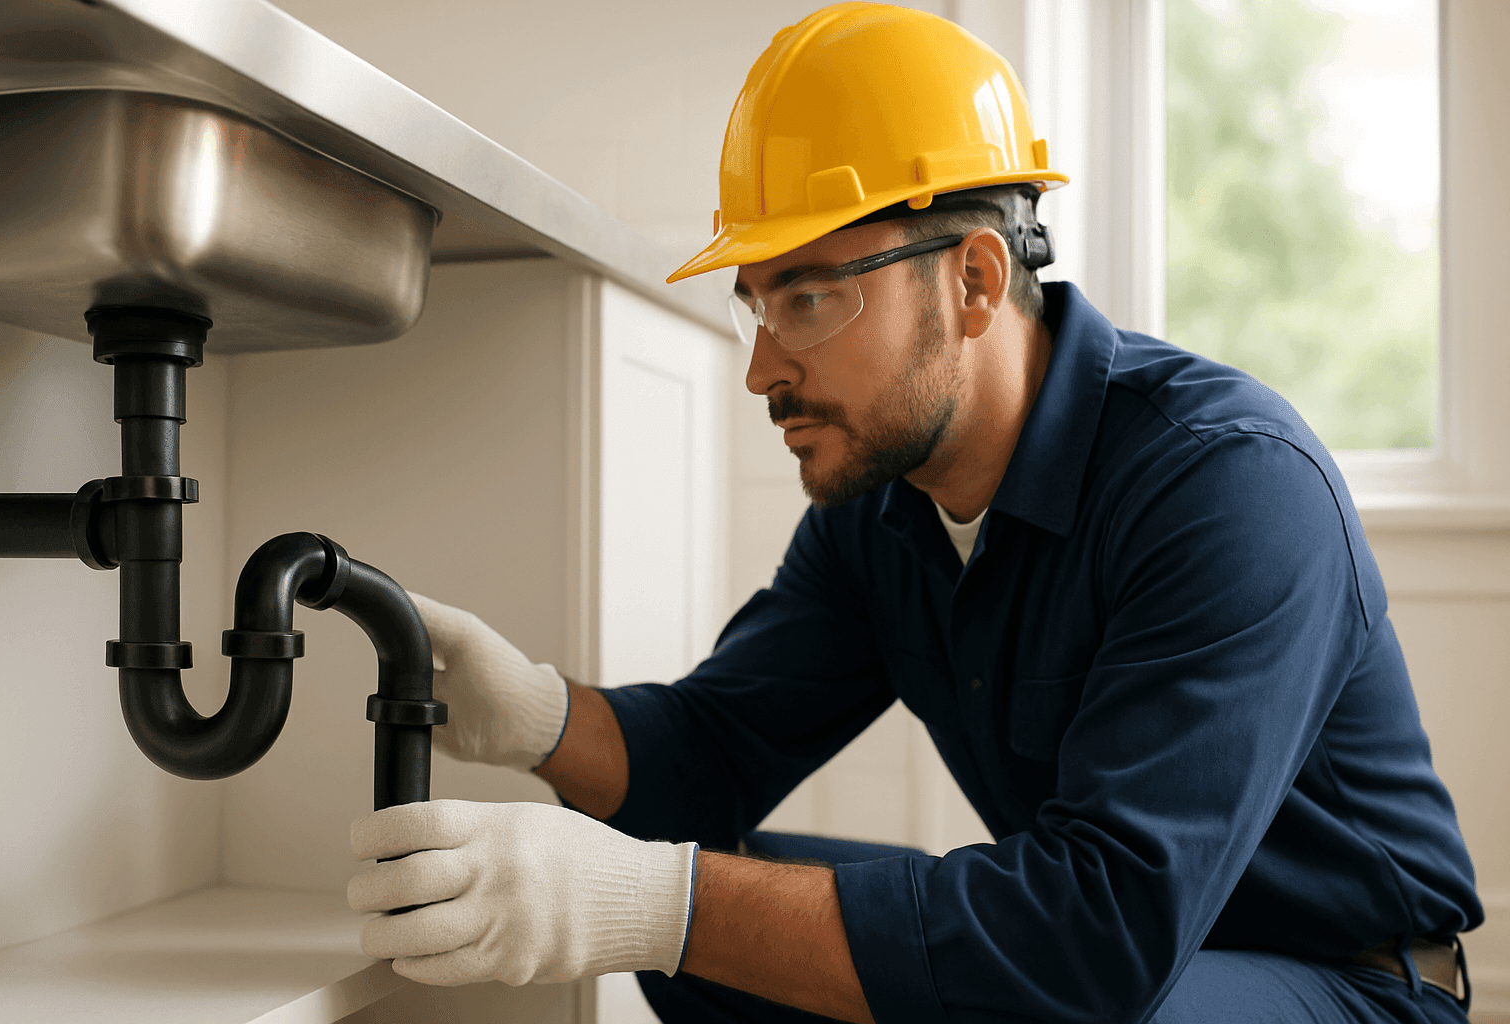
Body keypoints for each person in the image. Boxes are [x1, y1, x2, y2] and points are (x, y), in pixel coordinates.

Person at [344, 4, 1482, 1022]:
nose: (762, 370)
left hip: (1351, 981)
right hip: (1138, 961)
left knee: (995, 979)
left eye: (811, 296)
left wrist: (656, 898)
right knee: (706, 942)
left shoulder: (1225, 484)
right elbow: (715, 753)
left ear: (977, 282)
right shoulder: (883, 509)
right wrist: (534, 712)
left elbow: (1096, 934)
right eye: (757, 304)